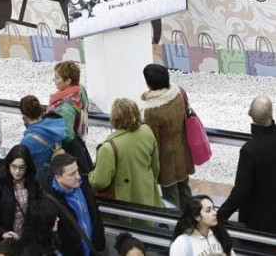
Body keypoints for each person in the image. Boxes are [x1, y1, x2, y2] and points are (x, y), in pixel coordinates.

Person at [218, 95, 276, 234]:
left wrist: (219, 216)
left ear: (249, 114)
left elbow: (241, 191)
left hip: (259, 222)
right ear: (271, 113)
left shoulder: (250, 150)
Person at [88, 98, 162, 207]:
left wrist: (91, 176)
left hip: (124, 199)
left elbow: (100, 182)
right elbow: (155, 167)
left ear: (114, 118)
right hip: (147, 192)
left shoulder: (108, 148)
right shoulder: (146, 131)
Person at [141, 63, 193, 208]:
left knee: (171, 199)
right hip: (182, 152)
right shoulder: (179, 93)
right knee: (185, 191)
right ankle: (193, 221)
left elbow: (152, 141)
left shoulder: (152, 110)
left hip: (166, 161)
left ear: (149, 83)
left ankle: (176, 227)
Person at [40, 153, 106, 256]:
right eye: (72, 174)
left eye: (77, 171)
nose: (78, 177)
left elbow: (95, 215)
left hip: (94, 250)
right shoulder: (50, 201)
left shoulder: (84, 186)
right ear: (58, 177)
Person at [0, 145, 43, 249]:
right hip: (4, 241)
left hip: (25, 238)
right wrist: (2, 233)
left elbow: (37, 207)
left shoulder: (32, 182)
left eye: (22, 167)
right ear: (8, 165)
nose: (17, 171)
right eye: (14, 166)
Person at [170, 195, 235, 256]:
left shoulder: (220, 235)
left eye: (213, 209)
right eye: (208, 210)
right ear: (197, 216)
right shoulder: (181, 243)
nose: (215, 213)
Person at [46, 60, 89, 143]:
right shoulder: (80, 89)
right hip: (81, 140)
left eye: (57, 78)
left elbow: (67, 136)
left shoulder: (65, 107)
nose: (54, 80)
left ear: (68, 81)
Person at [18, 95, 66, 169]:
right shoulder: (56, 126)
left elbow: (18, 163)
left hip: (39, 177)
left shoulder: (28, 141)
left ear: (24, 116)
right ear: (41, 111)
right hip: (54, 173)